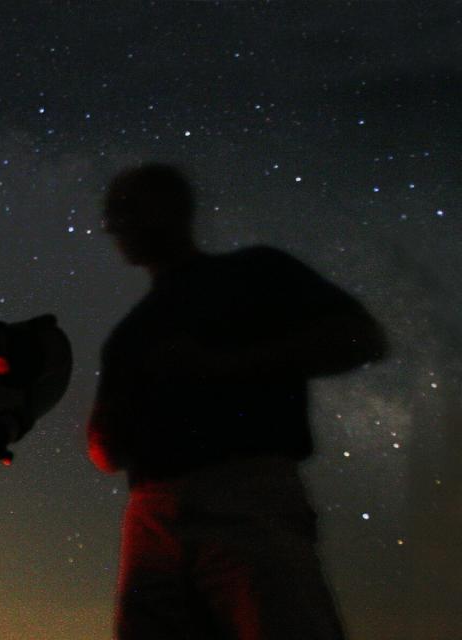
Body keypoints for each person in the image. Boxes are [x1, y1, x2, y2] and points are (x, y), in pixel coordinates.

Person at [88, 164, 387, 640]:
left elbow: (362, 337)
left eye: (123, 210)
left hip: (244, 495)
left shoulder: (256, 273)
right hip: (153, 514)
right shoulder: (129, 334)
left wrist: (222, 366)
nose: (112, 225)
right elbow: (104, 450)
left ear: (169, 209)